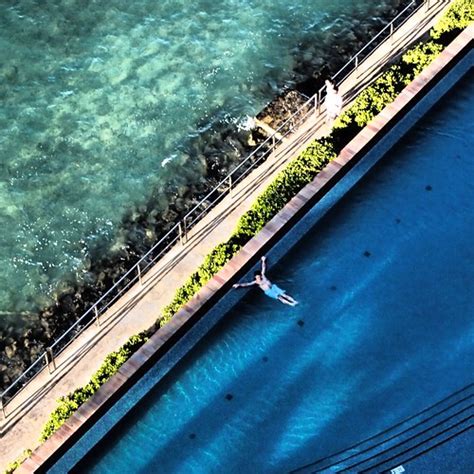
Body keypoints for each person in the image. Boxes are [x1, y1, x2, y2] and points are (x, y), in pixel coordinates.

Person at [232, 256, 298, 306]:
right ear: (255, 277)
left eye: (259, 276)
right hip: (269, 291)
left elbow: (263, 268)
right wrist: (239, 285)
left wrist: (263, 260)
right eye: (257, 277)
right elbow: (247, 284)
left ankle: (294, 301)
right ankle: (291, 304)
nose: (258, 277)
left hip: (273, 287)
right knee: (280, 298)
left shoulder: (263, 276)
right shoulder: (256, 282)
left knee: (284, 295)